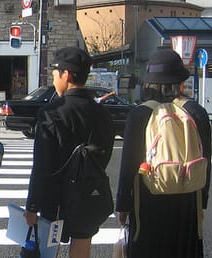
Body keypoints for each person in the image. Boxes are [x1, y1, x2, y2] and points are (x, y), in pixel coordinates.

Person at [115, 48, 211, 258]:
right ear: (180, 83)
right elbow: (206, 161)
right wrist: (202, 202)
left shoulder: (140, 114)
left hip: (148, 200)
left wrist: (122, 205)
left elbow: (128, 166)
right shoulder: (196, 112)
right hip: (189, 198)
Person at [23, 47, 115, 258]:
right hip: (89, 193)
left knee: (50, 245)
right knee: (82, 244)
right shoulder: (102, 113)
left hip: (55, 197)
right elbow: (105, 154)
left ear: (67, 75)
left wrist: (32, 205)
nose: (54, 80)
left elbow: (42, 164)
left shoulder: (52, 112)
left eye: (55, 74)